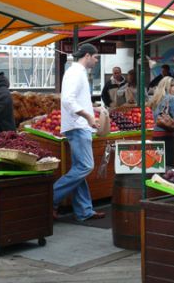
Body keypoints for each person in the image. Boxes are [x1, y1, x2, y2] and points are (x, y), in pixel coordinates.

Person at [54, 43, 105, 221]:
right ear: (88, 56)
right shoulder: (76, 72)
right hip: (78, 125)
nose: (97, 60)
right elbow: (68, 100)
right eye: (96, 56)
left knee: (79, 169)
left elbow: (73, 99)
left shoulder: (77, 72)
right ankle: (50, 199)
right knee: (85, 167)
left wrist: (93, 108)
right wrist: (88, 116)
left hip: (77, 124)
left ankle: (84, 211)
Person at [149, 76, 174, 167]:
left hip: (156, 136)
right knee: (169, 165)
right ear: (168, 87)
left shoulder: (156, 99)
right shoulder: (171, 98)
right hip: (167, 137)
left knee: (157, 165)